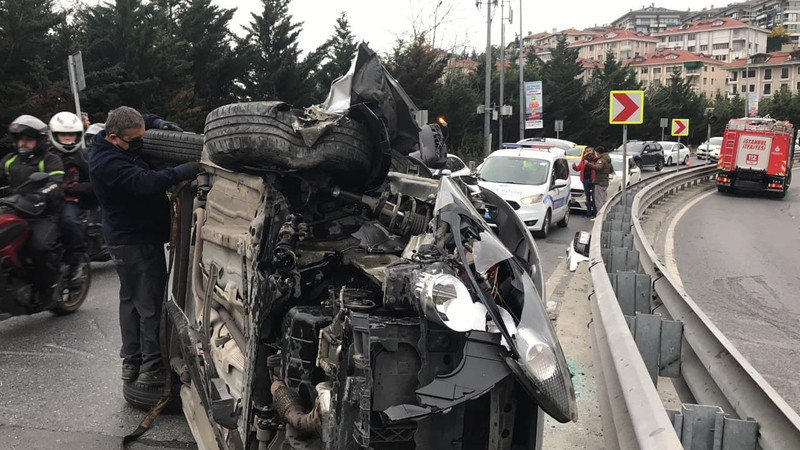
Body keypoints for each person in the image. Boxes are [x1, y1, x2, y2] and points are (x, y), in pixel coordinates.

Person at [89, 106, 200, 386]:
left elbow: (143, 119)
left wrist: (159, 122)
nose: (140, 144)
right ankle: (152, 368)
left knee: (131, 301)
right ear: (114, 138)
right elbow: (145, 183)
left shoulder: (119, 134)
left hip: (128, 239)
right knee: (149, 304)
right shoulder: (107, 163)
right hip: (135, 242)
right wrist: (182, 171)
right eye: (135, 141)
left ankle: (132, 361)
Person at [0, 115, 65, 306]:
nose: (23, 143)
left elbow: (55, 184)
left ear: (39, 140)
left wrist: (41, 195)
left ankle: (47, 288)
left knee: (39, 248)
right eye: (20, 139)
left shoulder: (50, 160)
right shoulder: (10, 161)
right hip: (14, 210)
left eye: (28, 139)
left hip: (43, 214)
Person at [49, 112, 93, 280]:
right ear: (55, 135)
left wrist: (77, 188)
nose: (67, 138)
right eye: (63, 134)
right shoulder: (48, 155)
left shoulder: (83, 156)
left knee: (69, 222)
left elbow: (94, 181)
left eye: (71, 134)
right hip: (45, 199)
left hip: (70, 201)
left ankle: (75, 263)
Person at [586, 145, 613, 212]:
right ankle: (604, 215)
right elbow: (611, 170)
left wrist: (588, 164)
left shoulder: (601, 160)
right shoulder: (608, 160)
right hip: (605, 182)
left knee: (599, 201)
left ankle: (599, 216)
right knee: (604, 200)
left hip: (599, 182)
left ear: (598, 152)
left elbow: (598, 168)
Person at [572, 147, 597, 219]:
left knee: (594, 197)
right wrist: (574, 167)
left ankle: (595, 212)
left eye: (590, 150)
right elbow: (578, 168)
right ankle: (588, 212)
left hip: (593, 180)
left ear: (593, 151)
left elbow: (597, 168)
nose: (589, 152)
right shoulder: (583, 160)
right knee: (587, 197)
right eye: (587, 151)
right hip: (585, 180)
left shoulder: (595, 159)